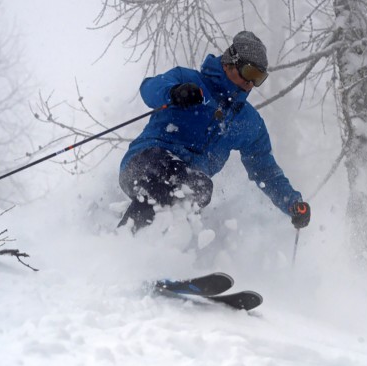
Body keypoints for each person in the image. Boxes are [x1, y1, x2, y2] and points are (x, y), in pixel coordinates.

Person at [118, 31, 311, 233]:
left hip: (188, 182)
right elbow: (149, 88)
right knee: (172, 175)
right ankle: (123, 243)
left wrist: (292, 203)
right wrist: (174, 92)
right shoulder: (189, 80)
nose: (251, 83)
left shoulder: (246, 121)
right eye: (249, 72)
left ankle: (162, 253)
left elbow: (265, 170)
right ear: (229, 63)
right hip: (144, 162)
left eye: (259, 78)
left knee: (201, 188)